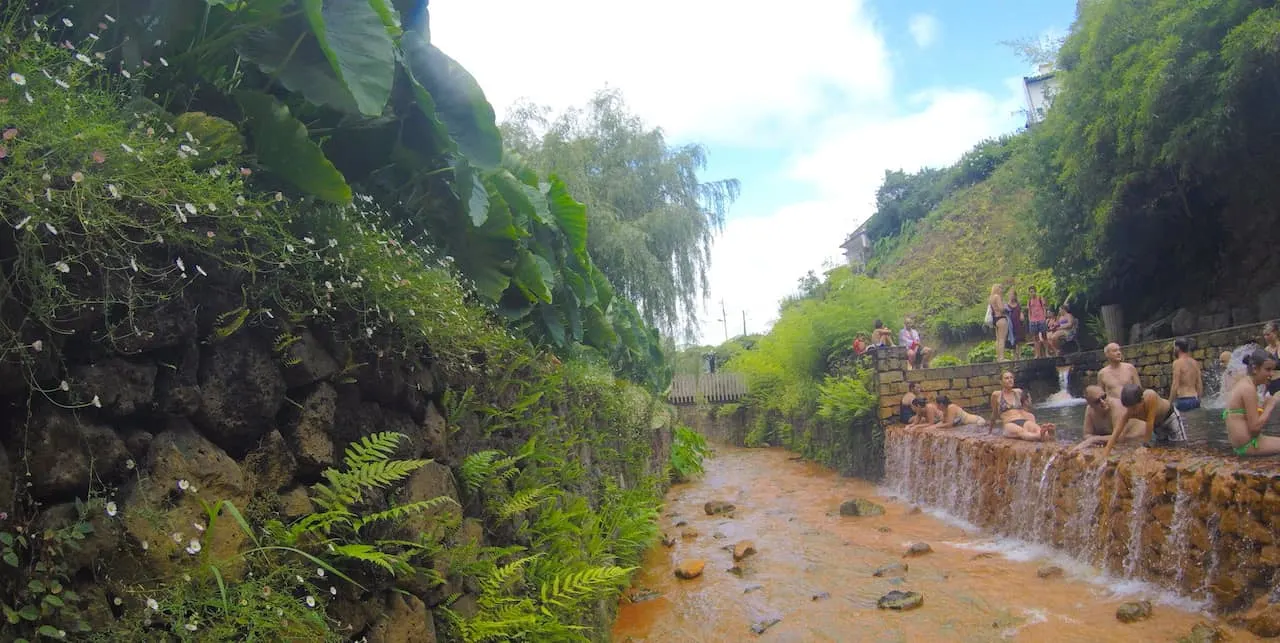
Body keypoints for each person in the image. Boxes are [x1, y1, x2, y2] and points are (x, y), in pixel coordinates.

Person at [1100, 384, 1189, 457]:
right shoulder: (1129, 412)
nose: (1131, 411)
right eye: (1128, 408)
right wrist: (1107, 450)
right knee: (1162, 447)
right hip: (1157, 425)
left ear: (1142, 400)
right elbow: (1117, 431)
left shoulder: (1150, 397)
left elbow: (1150, 422)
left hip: (1170, 417)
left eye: (1134, 408)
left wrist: (1144, 446)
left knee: (1180, 444)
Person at [1221, 349, 1280, 456]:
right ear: (1254, 369)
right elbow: (1255, 428)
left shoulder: (1244, 383)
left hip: (1246, 444)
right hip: (1248, 446)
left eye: (1273, 370)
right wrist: (1270, 405)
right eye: (1268, 369)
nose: (1272, 374)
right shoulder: (1248, 389)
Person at [989, 371, 1054, 441]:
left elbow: (1025, 409)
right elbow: (994, 414)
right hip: (1009, 423)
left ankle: (1049, 434)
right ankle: (1040, 436)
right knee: (1022, 432)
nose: (1010, 380)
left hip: (1023, 420)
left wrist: (1029, 406)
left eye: (1011, 378)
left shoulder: (1018, 392)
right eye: (1006, 378)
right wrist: (990, 431)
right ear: (1001, 382)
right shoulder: (996, 395)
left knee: (1037, 428)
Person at [1071, 385, 1130, 451]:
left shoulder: (1117, 406)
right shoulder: (1090, 410)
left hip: (1134, 440)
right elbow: (1087, 434)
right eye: (1097, 401)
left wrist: (1094, 439)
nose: (1103, 402)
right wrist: (1094, 440)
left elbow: (1120, 438)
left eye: (1104, 397)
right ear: (1090, 404)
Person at [1170, 338, 1203, 411]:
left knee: (1183, 422)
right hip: (1195, 399)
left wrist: (1169, 403)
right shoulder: (1195, 363)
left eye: (1174, 347)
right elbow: (1199, 384)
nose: (1173, 349)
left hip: (1183, 400)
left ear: (1177, 348)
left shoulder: (1177, 363)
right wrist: (1199, 400)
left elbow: (1175, 384)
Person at [988, 284, 1009, 362]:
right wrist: (1006, 307)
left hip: (995, 320)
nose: (1002, 290)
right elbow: (1001, 309)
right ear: (997, 289)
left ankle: (998, 357)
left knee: (998, 339)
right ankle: (1001, 358)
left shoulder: (991, 298)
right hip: (1001, 318)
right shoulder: (997, 297)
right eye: (1000, 288)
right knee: (1002, 339)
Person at [1027, 286, 1049, 358]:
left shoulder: (1040, 298)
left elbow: (1044, 307)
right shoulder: (1029, 301)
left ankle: (1047, 353)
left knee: (1044, 336)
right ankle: (1037, 354)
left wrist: (1044, 317)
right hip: (1033, 320)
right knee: (1035, 338)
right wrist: (1030, 319)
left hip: (1041, 319)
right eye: (1031, 292)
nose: (1032, 293)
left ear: (1035, 291)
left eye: (1033, 291)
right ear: (1029, 293)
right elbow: (1029, 311)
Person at [1264, 321, 1280, 395]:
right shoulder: (1266, 350)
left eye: (1268, 334)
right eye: (1264, 335)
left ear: (1275, 333)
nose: (1266, 337)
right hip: (1270, 383)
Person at [1006, 288, 1024, 355]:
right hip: (1011, 326)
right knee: (1012, 342)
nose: (1011, 296)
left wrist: (1021, 315)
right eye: (1010, 295)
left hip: (1018, 325)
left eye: (1012, 295)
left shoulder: (1018, 305)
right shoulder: (1006, 305)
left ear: (1015, 296)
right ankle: (1014, 358)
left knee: (1019, 342)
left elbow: (1020, 311)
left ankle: (1019, 356)